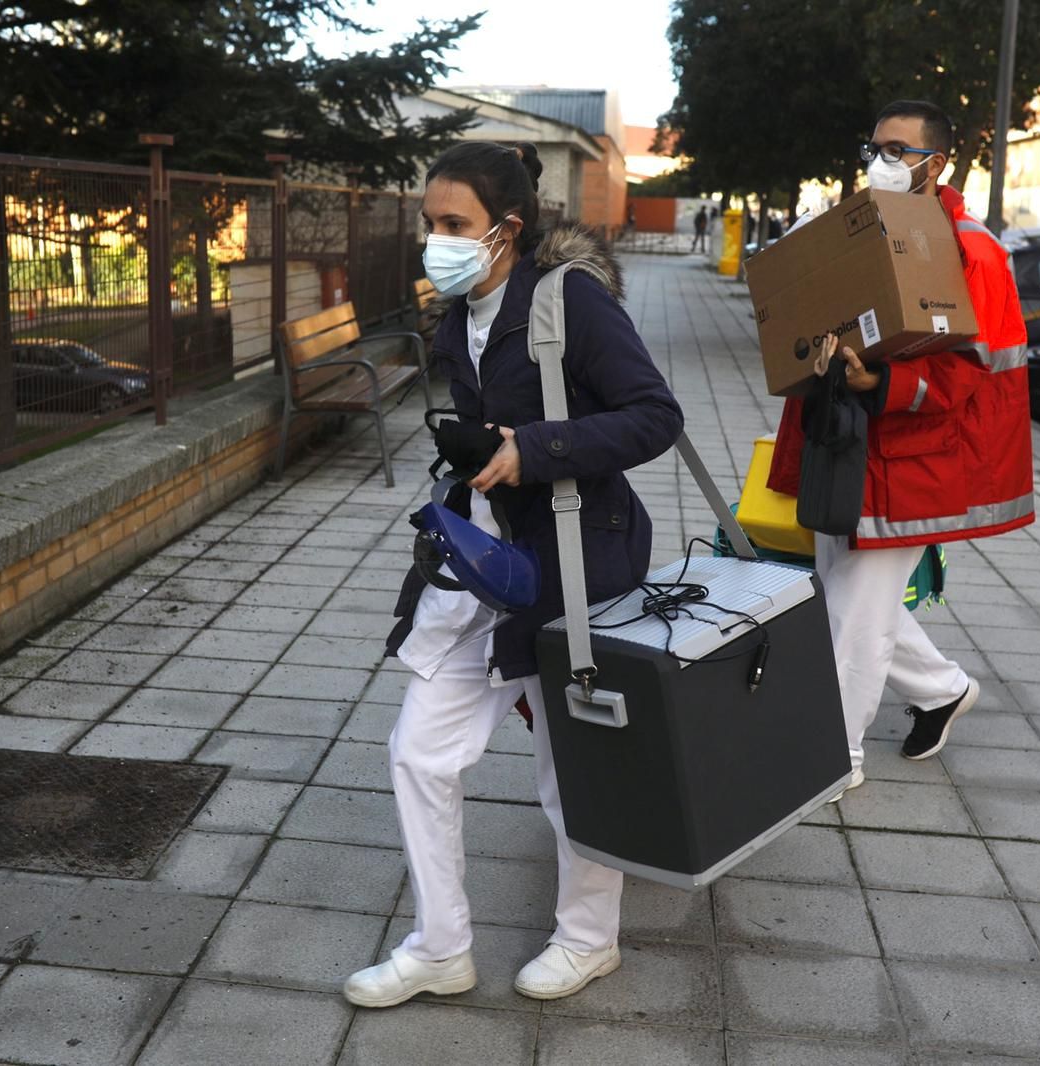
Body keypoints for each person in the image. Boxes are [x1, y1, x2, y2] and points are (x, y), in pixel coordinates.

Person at [344, 140, 684, 1009]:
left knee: (571, 769)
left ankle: (588, 939)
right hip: (489, 568)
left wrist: (534, 450)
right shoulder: (459, 314)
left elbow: (654, 416)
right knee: (419, 751)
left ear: (507, 230)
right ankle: (440, 948)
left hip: (576, 561)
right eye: (429, 224)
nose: (436, 241)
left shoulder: (569, 300)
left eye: (454, 225)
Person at [767, 99, 1033, 797]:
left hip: (910, 459)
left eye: (896, 150)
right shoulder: (862, 229)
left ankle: (834, 758)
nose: (878, 163)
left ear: (936, 163)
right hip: (845, 442)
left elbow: (970, 375)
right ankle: (942, 689)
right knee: (847, 597)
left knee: (854, 615)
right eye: (873, 148)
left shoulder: (970, 249)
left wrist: (880, 379)